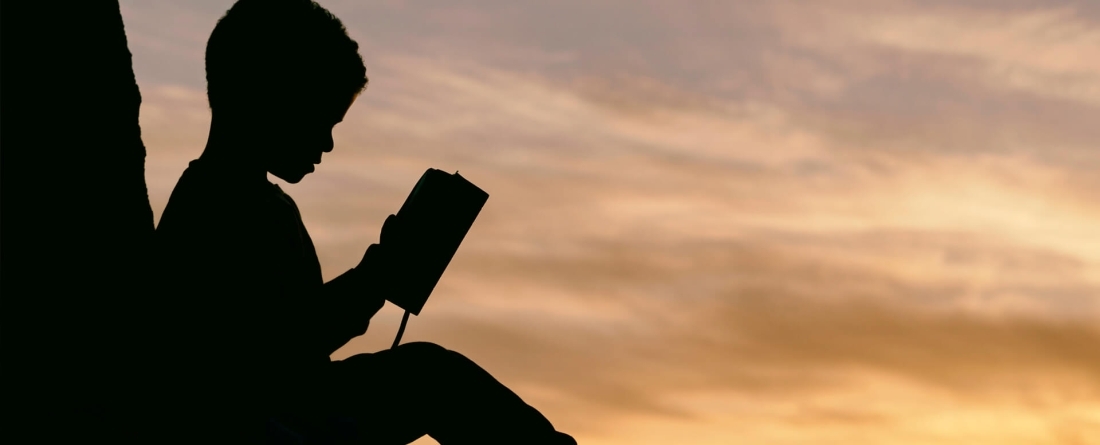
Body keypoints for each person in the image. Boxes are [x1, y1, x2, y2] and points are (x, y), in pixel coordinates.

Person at [150, 1, 577, 444]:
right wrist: (375, 279)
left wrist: (375, 277)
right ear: (272, 97)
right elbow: (272, 355)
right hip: (262, 420)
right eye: (321, 119)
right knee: (431, 376)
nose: (328, 142)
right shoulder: (215, 207)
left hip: (293, 408)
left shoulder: (252, 202)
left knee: (430, 373)